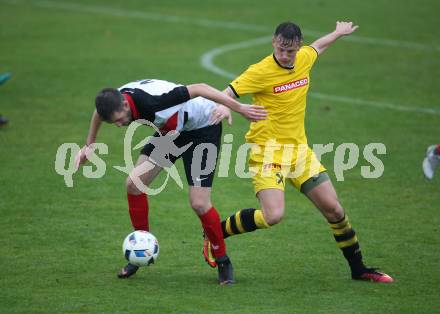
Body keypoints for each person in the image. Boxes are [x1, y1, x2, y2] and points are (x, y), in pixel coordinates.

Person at [203, 21, 394, 283]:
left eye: (290, 51)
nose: (285, 55)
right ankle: (216, 232)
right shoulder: (259, 71)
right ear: (274, 43)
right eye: (281, 49)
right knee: (273, 215)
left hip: (300, 153)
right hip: (268, 154)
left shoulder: (303, 58)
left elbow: (318, 47)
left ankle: (359, 269)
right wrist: (229, 108)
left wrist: (338, 33)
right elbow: (227, 91)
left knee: (335, 210)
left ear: (298, 48)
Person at [76, 78, 266, 285]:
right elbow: (98, 114)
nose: (120, 125)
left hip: (203, 129)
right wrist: (89, 145)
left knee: (199, 203)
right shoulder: (114, 99)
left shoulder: (152, 102)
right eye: (114, 122)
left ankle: (223, 260)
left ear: (124, 104)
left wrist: (238, 108)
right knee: (134, 184)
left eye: (120, 119)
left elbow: (199, 88)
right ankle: (142, 248)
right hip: (172, 133)